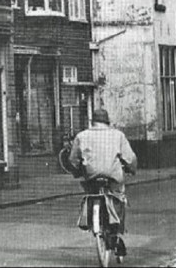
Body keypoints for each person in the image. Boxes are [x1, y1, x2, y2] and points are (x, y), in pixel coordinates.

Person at [69, 108, 137, 257]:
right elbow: (130, 158)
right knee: (119, 196)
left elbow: (73, 159)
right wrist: (132, 169)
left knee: (91, 192)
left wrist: (76, 171)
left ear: (92, 122)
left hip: (91, 176)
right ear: (108, 122)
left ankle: (91, 219)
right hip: (112, 176)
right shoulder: (118, 135)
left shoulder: (82, 135)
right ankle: (117, 232)